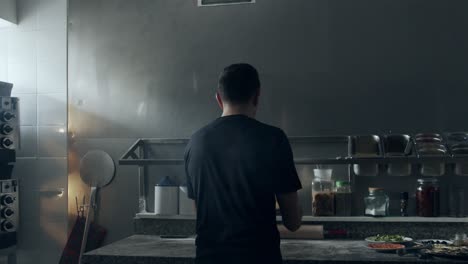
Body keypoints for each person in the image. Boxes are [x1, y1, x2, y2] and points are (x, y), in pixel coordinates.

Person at [184, 63, 302, 264]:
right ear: (257, 96)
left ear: (219, 99)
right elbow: (292, 221)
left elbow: (200, 211)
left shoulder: (195, 142)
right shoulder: (273, 139)